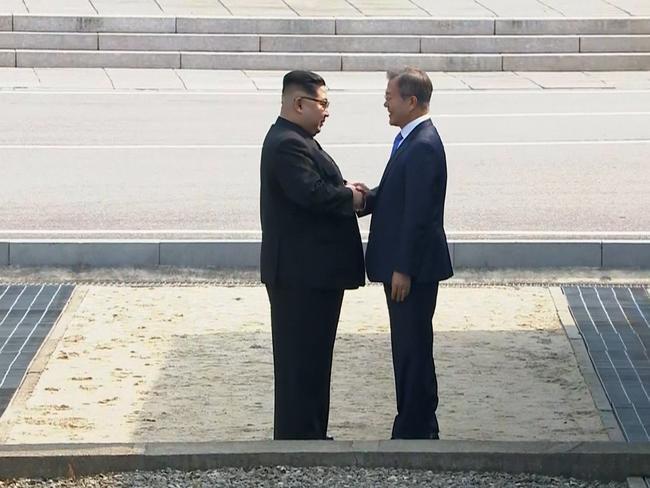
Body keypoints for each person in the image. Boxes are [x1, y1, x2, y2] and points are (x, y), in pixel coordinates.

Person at [260, 70, 366, 440]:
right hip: (299, 276)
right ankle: (299, 438)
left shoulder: (298, 140)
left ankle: (311, 434)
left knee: (315, 360)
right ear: (298, 103)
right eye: (322, 103)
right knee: (301, 362)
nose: (326, 111)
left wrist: (352, 195)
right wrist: (348, 197)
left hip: (310, 275)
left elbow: (319, 190)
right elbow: (310, 194)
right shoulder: (288, 143)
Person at [357, 67, 453, 440]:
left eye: (390, 97)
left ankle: (415, 429)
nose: (385, 102)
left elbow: (419, 215)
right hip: (406, 266)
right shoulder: (410, 140)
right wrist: (366, 199)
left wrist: (404, 268)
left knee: (412, 349)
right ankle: (416, 425)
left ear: (411, 101)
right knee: (408, 347)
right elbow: (399, 193)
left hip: (411, 270)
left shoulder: (424, 145)